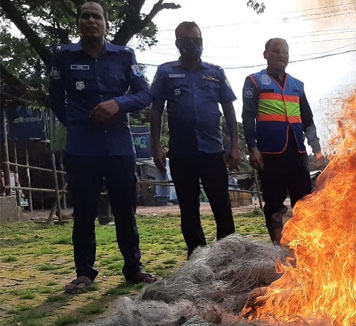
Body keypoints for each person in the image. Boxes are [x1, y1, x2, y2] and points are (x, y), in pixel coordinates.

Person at [49, 1, 156, 293]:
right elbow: (56, 99)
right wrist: (76, 123)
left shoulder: (124, 56)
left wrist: (116, 104)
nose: (90, 21)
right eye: (85, 16)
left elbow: (145, 95)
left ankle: (133, 268)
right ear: (78, 23)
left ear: (106, 23)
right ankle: (84, 273)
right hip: (82, 147)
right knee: (83, 212)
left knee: (125, 210)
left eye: (96, 16)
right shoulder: (64, 57)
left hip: (119, 146)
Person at [149, 21, 240, 257]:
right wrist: (156, 145)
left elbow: (229, 110)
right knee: (189, 210)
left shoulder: (216, 72)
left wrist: (235, 147)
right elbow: (157, 109)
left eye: (197, 40)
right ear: (178, 43)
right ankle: (197, 257)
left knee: (222, 206)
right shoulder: (165, 72)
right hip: (181, 153)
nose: (193, 45)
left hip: (212, 151)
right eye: (187, 41)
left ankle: (227, 255)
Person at [242, 38, 323, 244]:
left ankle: (304, 249)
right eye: (276, 51)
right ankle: (278, 249)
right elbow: (248, 116)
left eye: (285, 52)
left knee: (304, 203)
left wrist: (317, 148)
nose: (281, 56)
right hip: (270, 154)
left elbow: (308, 120)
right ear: (266, 54)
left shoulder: (297, 85)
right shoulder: (254, 81)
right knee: (274, 204)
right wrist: (252, 147)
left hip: (297, 153)